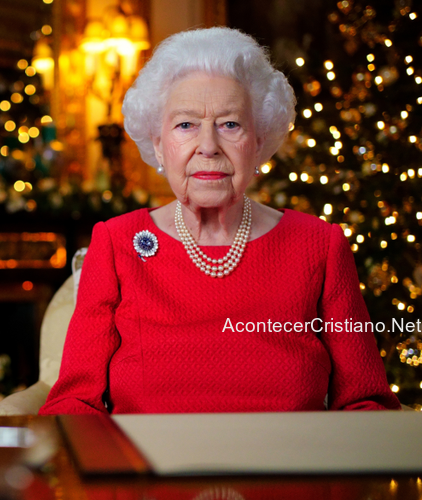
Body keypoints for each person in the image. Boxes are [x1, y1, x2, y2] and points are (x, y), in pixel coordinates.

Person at [39, 28, 401, 415]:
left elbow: (366, 402)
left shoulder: (318, 245)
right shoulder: (117, 242)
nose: (208, 146)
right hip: (148, 470)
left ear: (259, 141)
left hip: (287, 470)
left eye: (230, 124)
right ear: (159, 143)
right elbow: (74, 403)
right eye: (185, 125)